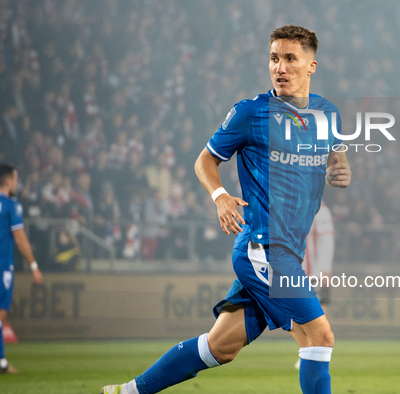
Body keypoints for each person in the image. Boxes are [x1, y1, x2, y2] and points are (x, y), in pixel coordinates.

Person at [101, 24, 351, 394]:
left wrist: (338, 169)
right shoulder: (250, 113)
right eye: (274, 58)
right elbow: (204, 160)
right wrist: (220, 196)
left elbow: (335, 156)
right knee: (319, 336)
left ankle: (127, 392)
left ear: (311, 65)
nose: (280, 67)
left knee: (220, 347)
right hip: (264, 248)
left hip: (286, 252)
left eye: (290, 59)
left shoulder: (327, 115)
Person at [0, 163, 44, 374]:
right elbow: (20, 238)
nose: (16, 183)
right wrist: (33, 265)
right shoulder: (11, 205)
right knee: (0, 315)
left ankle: (1, 363)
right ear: (8, 181)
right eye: (15, 179)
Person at [295, 201, 335, 370]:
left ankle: (317, 351)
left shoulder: (321, 209)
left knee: (318, 311)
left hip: (315, 273)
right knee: (297, 314)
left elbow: (327, 240)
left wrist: (325, 269)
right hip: (295, 270)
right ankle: (309, 349)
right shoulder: (293, 205)